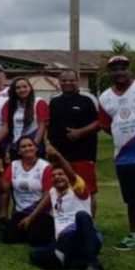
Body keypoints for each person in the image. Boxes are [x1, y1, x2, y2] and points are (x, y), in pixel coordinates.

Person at [98, 55, 135, 255]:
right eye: (115, 69)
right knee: (132, 201)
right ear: (110, 73)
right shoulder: (105, 97)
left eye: (123, 68)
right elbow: (106, 125)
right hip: (124, 159)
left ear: (129, 70)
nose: (119, 72)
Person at [25, 143, 106, 270]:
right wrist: (30, 218)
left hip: (84, 236)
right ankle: (75, 262)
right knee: (34, 254)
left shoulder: (78, 189)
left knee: (82, 216)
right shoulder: (53, 192)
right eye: (54, 176)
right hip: (65, 241)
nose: (57, 177)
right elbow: (42, 204)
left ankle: (92, 264)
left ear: (68, 177)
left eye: (61, 174)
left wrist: (58, 155)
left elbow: (72, 176)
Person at [48, 69, 100, 215]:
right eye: (64, 80)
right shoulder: (54, 101)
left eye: (71, 80)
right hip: (59, 156)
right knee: (60, 190)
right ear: (59, 82)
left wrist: (80, 132)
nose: (68, 83)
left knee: (87, 190)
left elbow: (99, 122)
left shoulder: (87, 100)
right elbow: (49, 126)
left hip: (83, 154)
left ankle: (89, 223)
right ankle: (64, 222)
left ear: (77, 81)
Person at [0, 136, 54, 246]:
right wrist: (0, 173)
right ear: (19, 151)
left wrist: (30, 218)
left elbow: (48, 195)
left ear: (36, 148)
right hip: (21, 211)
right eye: (23, 147)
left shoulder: (45, 167)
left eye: (30, 145)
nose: (27, 148)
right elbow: (4, 189)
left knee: (36, 240)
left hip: (40, 212)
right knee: (8, 238)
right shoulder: (14, 165)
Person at [0, 77, 49, 160]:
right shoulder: (9, 104)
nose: (22, 90)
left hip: (34, 145)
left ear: (30, 88)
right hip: (16, 146)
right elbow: (6, 127)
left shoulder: (39, 102)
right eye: (18, 88)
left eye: (25, 87)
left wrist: (34, 145)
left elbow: (42, 126)